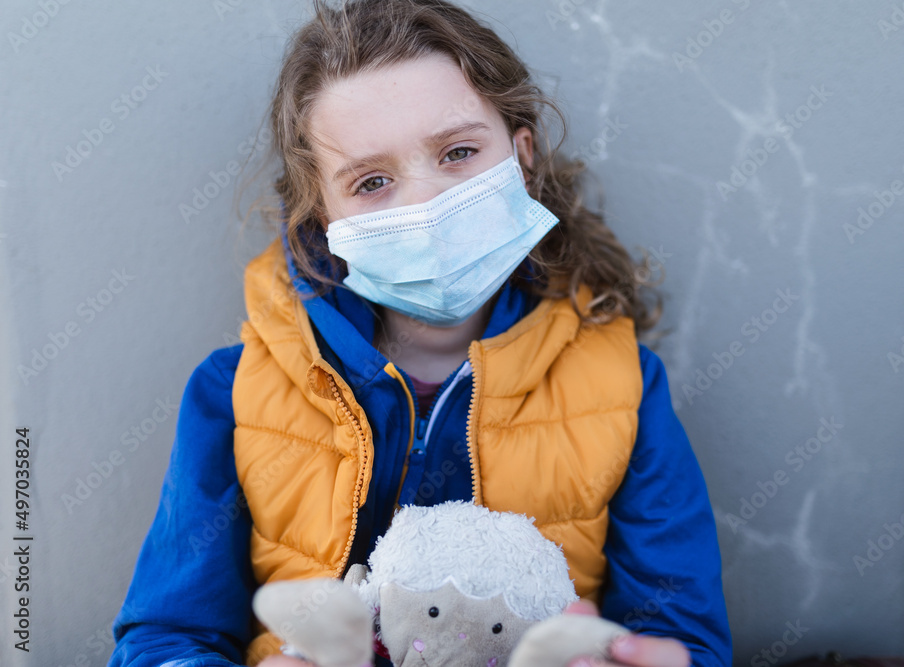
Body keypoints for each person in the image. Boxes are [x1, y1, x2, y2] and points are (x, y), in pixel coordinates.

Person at [108, 1, 732, 666]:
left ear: (521, 156)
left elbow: (682, 637)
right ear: (322, 214)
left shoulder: (624, 385)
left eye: (459, 152)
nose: (424, 203)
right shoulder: (233, 394)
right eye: (372, 181)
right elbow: (165, 637)